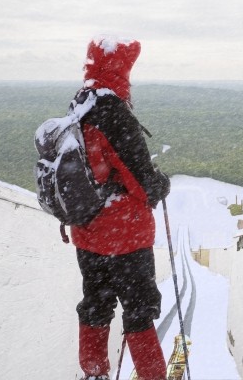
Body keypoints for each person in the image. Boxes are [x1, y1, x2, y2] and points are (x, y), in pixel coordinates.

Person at [71, 36, 170, 380]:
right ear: (121, 71)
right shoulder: (114, 113)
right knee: (139, 311)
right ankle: (152, 376)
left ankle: (94, 372)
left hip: (87, 232)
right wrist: (162, 183)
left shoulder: (79, 105)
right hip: (125, 236)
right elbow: (143, 185)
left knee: (95, 305)